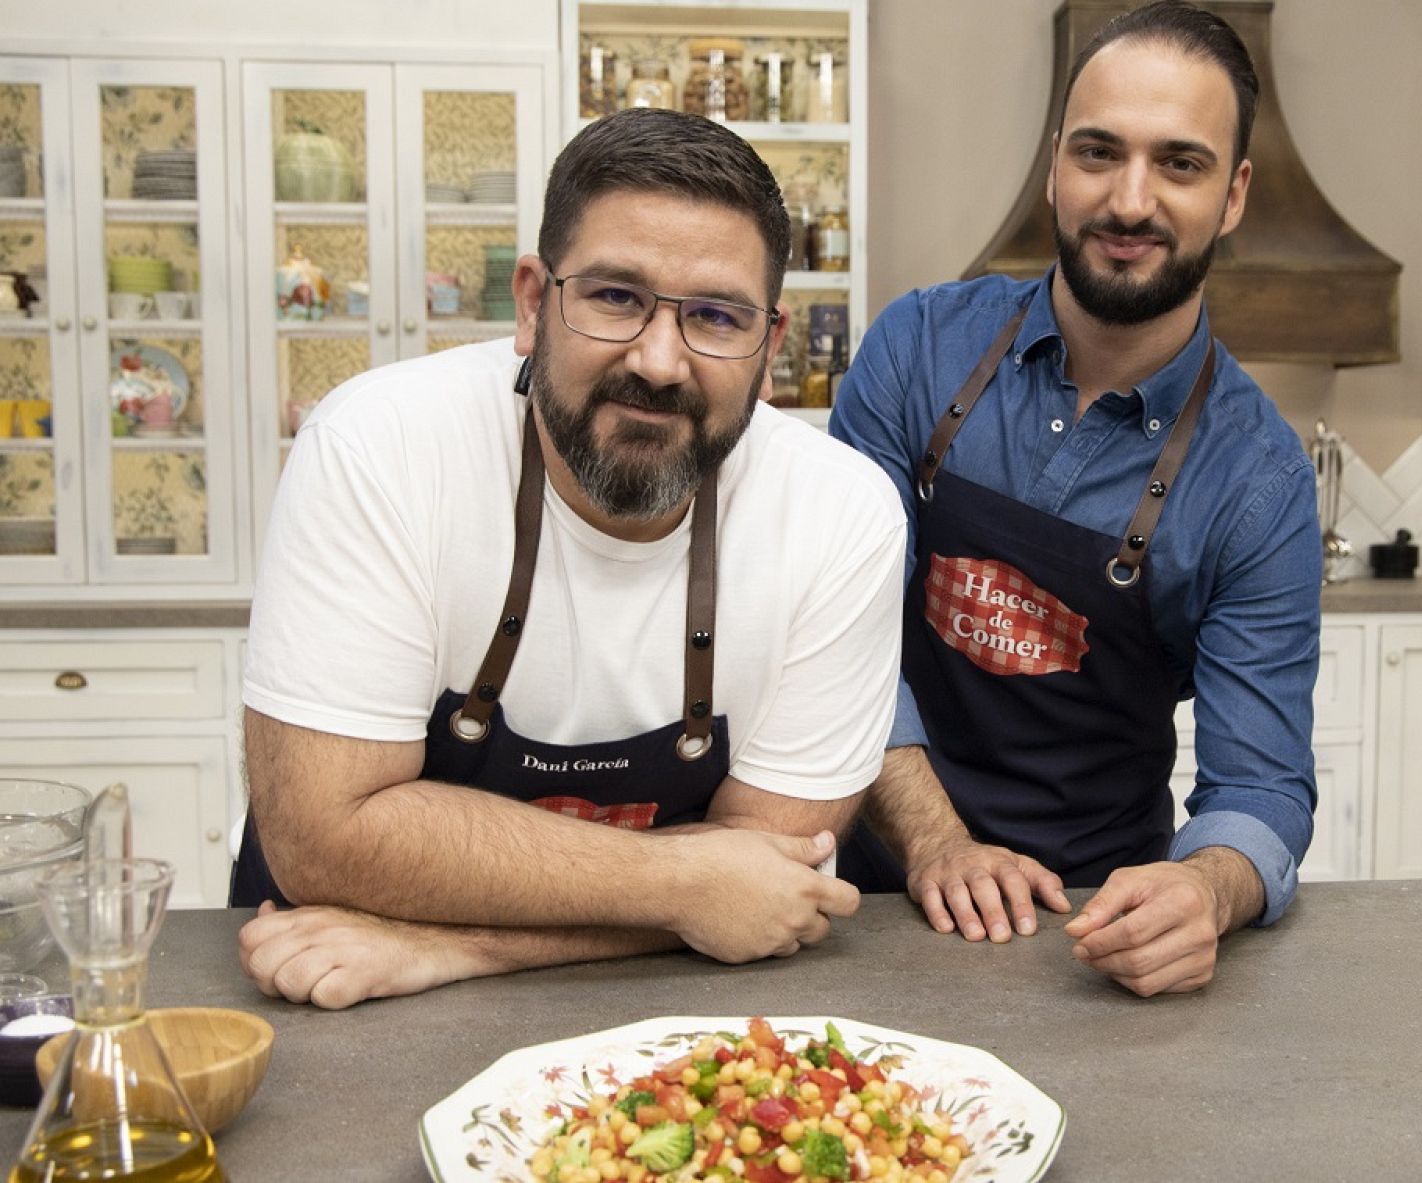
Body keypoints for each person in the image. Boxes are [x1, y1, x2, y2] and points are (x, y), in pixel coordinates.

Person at [233, 108, 906, 1009]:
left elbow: (766, 886)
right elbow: (322, 837)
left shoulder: (842, 515)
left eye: (715, 316)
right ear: (531, 301)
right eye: (615, 296)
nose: (661, 361)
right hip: (326, 990)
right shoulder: (379, 446)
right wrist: (687, 883)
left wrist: (449, 943)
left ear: (770, 349)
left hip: (659, 1020)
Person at [829, 0, 1321, 997]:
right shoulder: (917, 350)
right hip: (859, 898)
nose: (1129, 201)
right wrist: (937, 844)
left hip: (1089, 934)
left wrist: (1205, 891)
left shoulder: (1259, 482)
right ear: (1057, 163)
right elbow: (828, 638)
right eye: (1099, 153)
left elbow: (1260, 786)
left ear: (1231, 197)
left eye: (1178, 164)